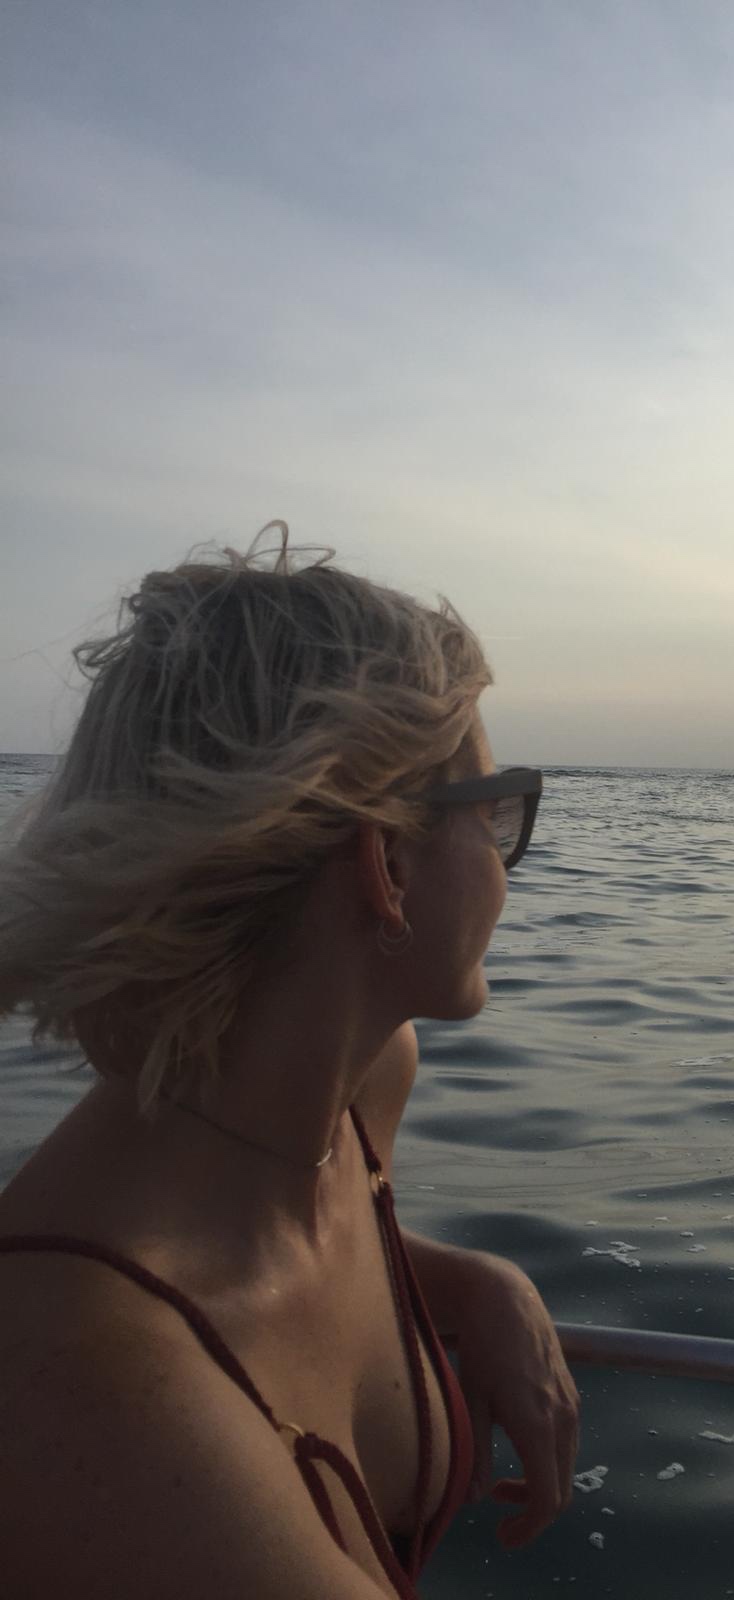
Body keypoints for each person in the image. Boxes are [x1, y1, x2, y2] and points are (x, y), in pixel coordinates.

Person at [0, 524, 579, 1598]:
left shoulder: (360, 1089)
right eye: (496, 813)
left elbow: (270, 1259)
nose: (507, 864)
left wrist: (470, 1283)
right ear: (388, 863)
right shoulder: (87, 1390)